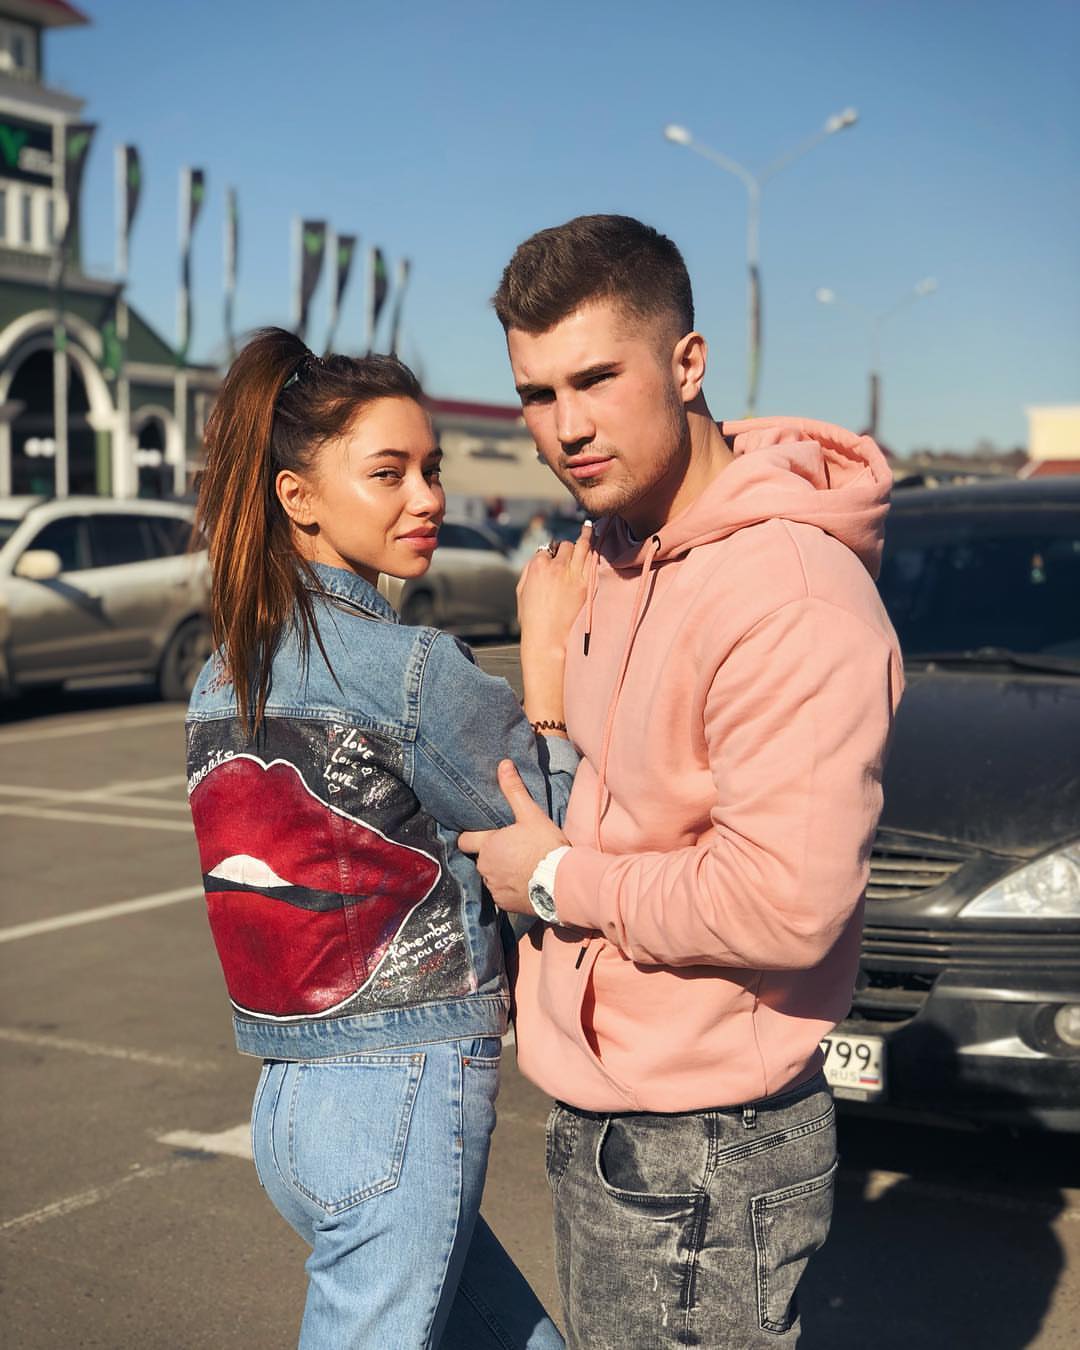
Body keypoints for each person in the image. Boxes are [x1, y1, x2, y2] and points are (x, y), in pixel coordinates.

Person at [459, 215, 904, 1349]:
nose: (566, 426)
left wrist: (554, 880)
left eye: (596, 379)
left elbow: (782, 904)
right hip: (622, 1121)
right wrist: (547, 677)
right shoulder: (613, 556)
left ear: (688, 362)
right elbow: (621, 803)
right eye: (536, 392)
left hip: (705, 1146)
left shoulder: (789, 593)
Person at [185, 327, 589, 1349]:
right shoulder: (411, 670)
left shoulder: (221, 674)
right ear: (299, 497)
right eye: (388, 472)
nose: (427, 498)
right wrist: (547, 672)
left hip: (289, 1102)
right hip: (395, 1100)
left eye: (433, 469)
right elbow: (555, 833)